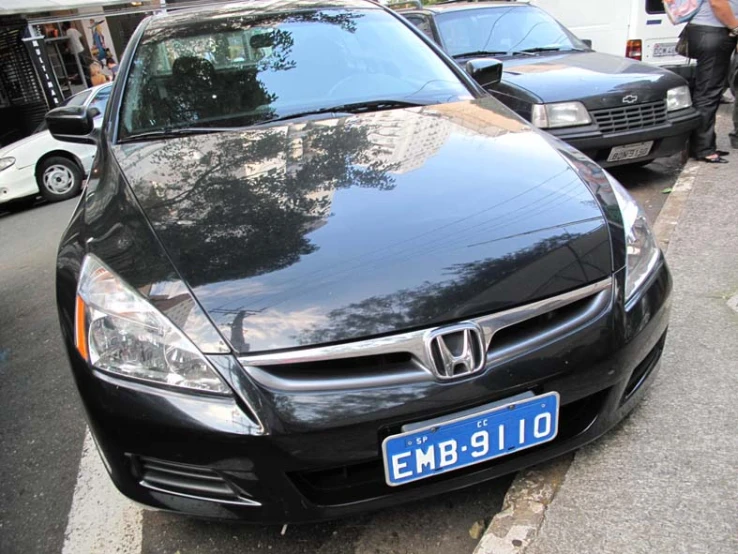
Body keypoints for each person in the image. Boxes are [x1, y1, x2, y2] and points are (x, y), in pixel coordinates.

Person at [688, 0, 738, 163]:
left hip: (711, 32)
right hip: (713, 32)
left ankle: (705, 145)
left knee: (710, 91)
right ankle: (703, 149)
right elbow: (717, 3)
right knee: (708, 93)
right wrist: (736, 28)